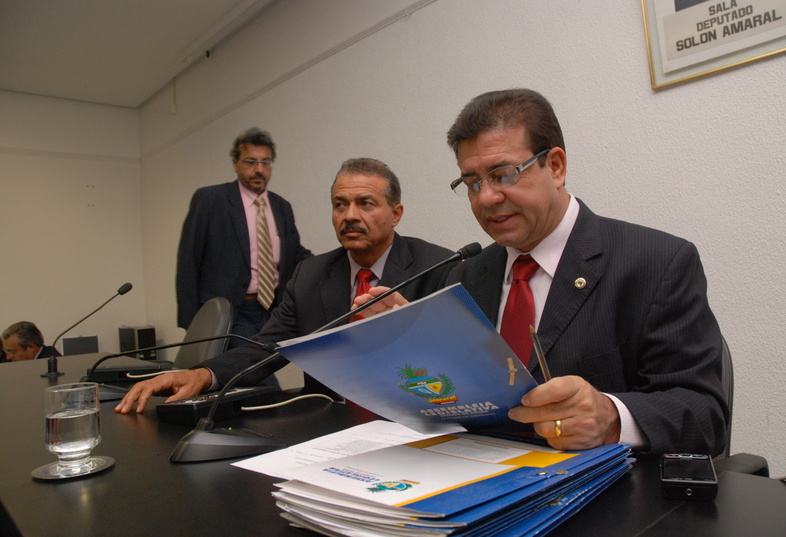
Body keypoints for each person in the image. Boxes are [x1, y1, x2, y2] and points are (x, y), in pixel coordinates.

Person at [355, 89, 727, 456]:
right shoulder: (465, 276)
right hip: (480, 479)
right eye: (472, 183)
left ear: (556, 166)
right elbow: (462, 402)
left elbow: (705, 415)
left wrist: (611, 417)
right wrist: (416, 350)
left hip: (602, 487)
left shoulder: (655, 262)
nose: (486, 198)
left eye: (503, 175)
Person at [116, 158, 454, 413]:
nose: (350, 215)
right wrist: (202, 375)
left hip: (413, 421)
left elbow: (459, 363)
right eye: (340, 204)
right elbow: (266, 348)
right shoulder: (311, 274)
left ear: (396, 214)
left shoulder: (438, 267)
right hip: (329, 423)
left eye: (365, 203)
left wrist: (411, 333)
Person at [176, 128, 312, 346]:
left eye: (265, 162)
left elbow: (295, 253)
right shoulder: (211, 200)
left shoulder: (281, 206)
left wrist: (335, 263)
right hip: (230, 311)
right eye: (250, 162)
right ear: (235, 164)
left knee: (265, 362)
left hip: (273, 310)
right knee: (250, 364)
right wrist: (191, 323)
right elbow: (189, 260)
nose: (259, 169)